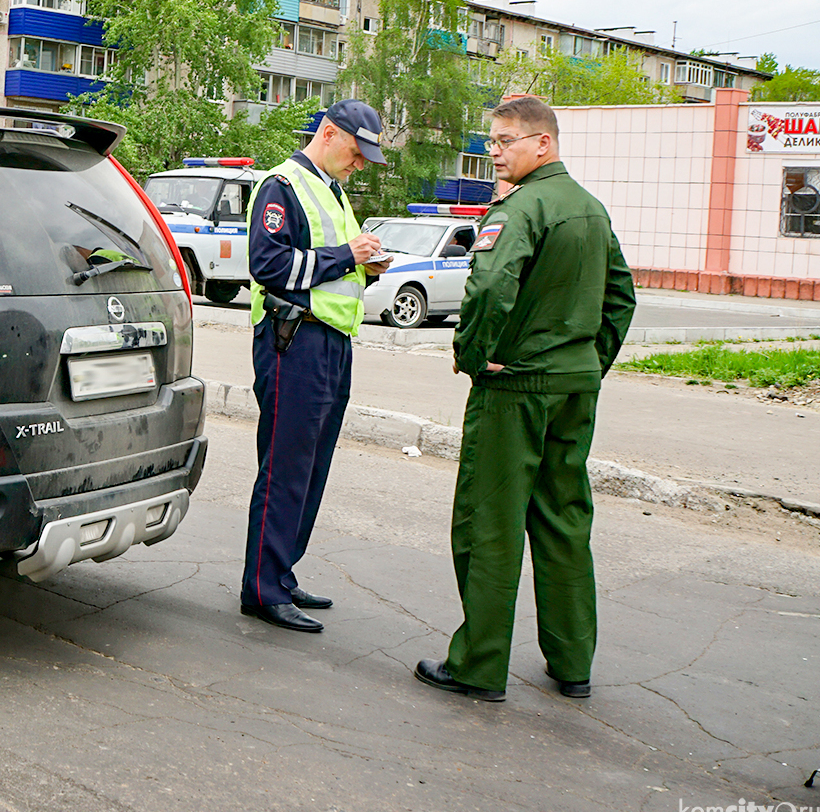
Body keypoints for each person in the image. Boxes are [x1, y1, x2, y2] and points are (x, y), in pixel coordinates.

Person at [416, 95, 637, 701]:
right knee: (564, 520)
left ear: (543, 143)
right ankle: (572, 664)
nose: (495, 152)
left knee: (490, 523)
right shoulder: (589, 209)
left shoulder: (521, 208)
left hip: (514, 385)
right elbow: (621, 297)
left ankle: (478, 666)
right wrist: (589, 364)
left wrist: (469, 353)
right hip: (572, 387)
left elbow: (489, 285)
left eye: (505, 141)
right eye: (491, 141)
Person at [239, 99, 390, 633]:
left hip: (331, 343)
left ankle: (281, 572)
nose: (360, 164)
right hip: (292, 340)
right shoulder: (281, 186)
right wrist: (348, 255)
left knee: (313, 466)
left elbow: (333, 267)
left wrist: (366, 266)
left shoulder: (333, 190)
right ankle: (262, 586)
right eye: (356, 151)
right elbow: (269, 265)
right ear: (329, 133)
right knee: (285, 466)